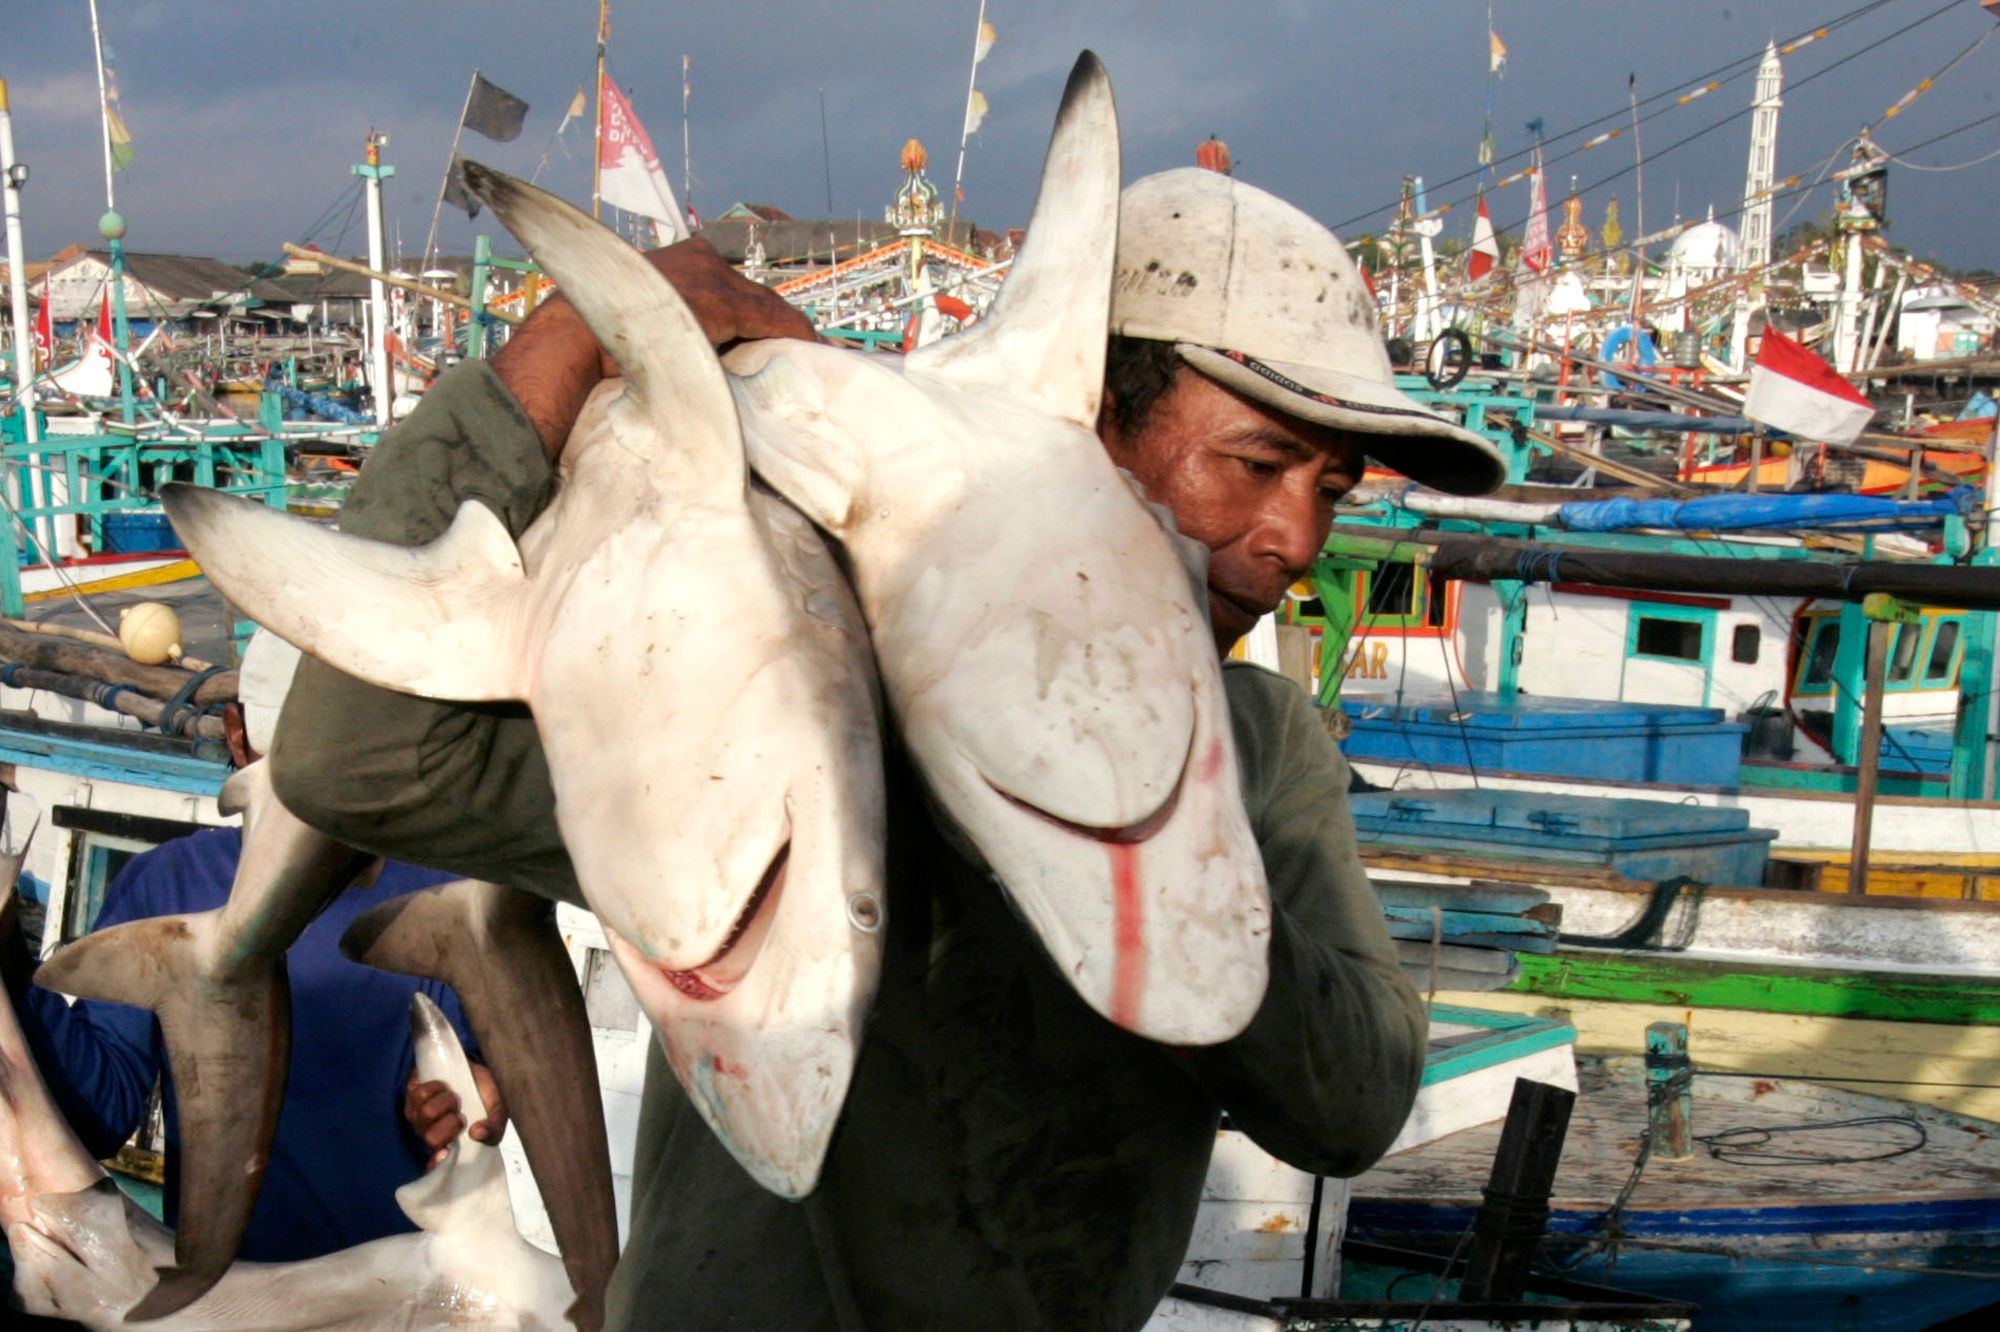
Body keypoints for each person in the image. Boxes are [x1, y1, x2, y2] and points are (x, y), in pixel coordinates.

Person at [266, 167, 1504, 1328]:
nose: (1292, 535)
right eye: (1257, 463)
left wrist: (1167, 862)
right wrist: (567, 340)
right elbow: (360, 758)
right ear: (1085, 430)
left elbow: (1353, 1103)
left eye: (1332, 489)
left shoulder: (1258, 747)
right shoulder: (802, 690)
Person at [3, 827, 508, 1261]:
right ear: (237, 731)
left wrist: (469, 1097)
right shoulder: (170, 880)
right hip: (223, 1298)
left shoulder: (442, 891)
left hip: (392, 1292)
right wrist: (10, 957)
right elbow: (99, 1114)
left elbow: (470, 1085)